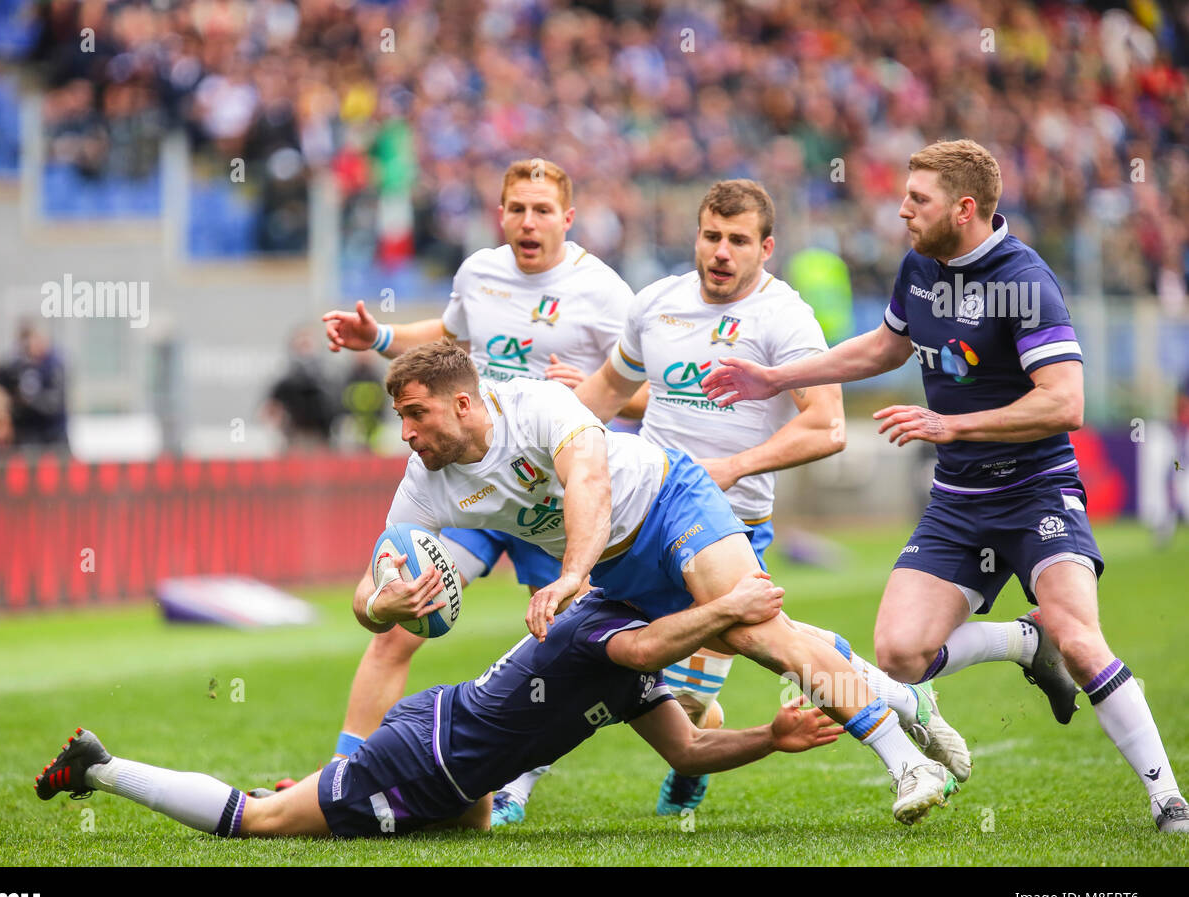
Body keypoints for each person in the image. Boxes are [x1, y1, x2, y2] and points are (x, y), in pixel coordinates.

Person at [698, 139, 1188, 833]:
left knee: (1081, 639)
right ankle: (1025, 642)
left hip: (1037, 491)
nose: (901, 210)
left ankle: (1169, 798)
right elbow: (886, 345)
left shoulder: (1025, 281)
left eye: (917, 199)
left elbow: (1065, 402)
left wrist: (956, 426)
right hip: (959, 502)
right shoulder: (921, 266)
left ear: (964, 208)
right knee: (901, 655)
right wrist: (777, 378)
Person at [356, 340, 964, 825]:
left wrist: (571, 576)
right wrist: (383, 606)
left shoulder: (535, 406)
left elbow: (590, 485)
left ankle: (909, 766)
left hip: (670, 499)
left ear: (463, 404)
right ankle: (903, 697)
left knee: (754, 633)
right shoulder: (424, 483)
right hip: (620, 568)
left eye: (416, 414)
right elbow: (370, 587)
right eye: (401, 417)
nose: (406, 432)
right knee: (735, 637)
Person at [574, 179, 953, 817]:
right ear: (697, 236)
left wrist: (730, 468)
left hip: (729, 521)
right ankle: (889, 695)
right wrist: (537, 434)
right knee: (675, 692)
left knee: (754, 644)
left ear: (766, 248)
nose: (721, 252)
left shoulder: (784, 317)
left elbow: (826, 426)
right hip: (643, 519)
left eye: (738, 241)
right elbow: (608, 393)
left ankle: (897, 730)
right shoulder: (655, 305)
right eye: (711, 236)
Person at [319, 160, 643, 812]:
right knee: (396, 625)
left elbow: (650, 393)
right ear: (501, 214)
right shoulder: (479, 273)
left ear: (568, 218)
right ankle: (340, 776)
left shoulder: (605, 292)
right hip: (468, 480)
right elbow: (446, 341)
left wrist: (591, 394)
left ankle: (519, 782)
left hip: (547, 490)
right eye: (516, 208)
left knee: (559, 645)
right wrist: (378, 337)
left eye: (542, 209)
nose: (528, 221)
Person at [34, 579, 843, 838]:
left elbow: (690, 755)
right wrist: (731, 604)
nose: (738, 636)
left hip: (461, 767)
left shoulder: (642, 668)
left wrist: (771, 736)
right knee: (261, 823)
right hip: (427, 755)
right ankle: (101, 768)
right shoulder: (606, 627)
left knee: (476, 829)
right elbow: (643, 651)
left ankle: (322, 787)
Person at [0, 321, 68, 446]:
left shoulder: (54, 367)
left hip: (53, 438)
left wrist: (28, 401)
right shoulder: (15, 366)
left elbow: (53, 404)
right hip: (26, 438)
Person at [263, 325, 339, 447]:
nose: (305, 350)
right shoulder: (285, 380)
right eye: (301, 344)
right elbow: (269, 409)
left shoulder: (329, 378)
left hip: (322, 439)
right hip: (294, 438)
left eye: (308, 344)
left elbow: (338, 406)